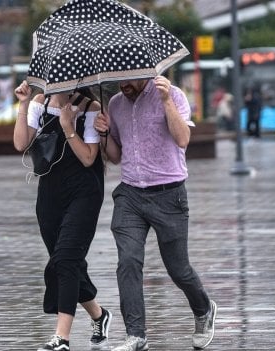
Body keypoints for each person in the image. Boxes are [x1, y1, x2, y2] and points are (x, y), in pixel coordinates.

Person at [93, 76, 217, 351]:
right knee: (128, 262)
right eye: (119, 78)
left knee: (178, 269)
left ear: (145, 70)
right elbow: (115, 156)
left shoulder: (172, 95)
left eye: (129, 78)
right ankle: (136, 336)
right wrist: (103, 134)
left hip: (169, 193)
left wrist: (165, 102)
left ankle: (203, 308)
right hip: (130, 195)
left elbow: (183, 138)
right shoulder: (115, 104)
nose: (122, 83)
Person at [13, 81, 112, 351]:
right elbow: (21, 143)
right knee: (63, 261)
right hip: (50, 195)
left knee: (67, 258)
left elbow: (89, 158)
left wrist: (69, 126)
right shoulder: (39, 102)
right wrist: (23, 103)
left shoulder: (90, 107)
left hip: (84, 193)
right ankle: (99, 315)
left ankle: (62, 338)